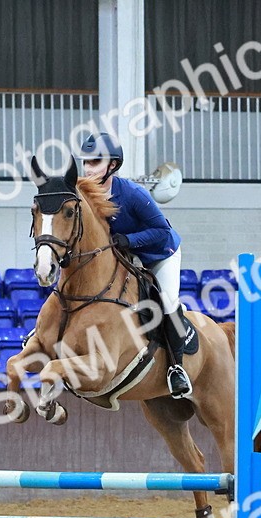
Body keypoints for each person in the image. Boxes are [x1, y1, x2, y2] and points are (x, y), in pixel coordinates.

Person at [77, 133, 193, 399]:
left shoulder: (133, 194)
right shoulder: (82, 193)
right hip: (126, 256)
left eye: (95, 162)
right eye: (86, 162)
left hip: (159, 254)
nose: (88, 169)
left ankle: (176, 368)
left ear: (113, 166)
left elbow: (162, 231)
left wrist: (128, 239)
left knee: (167, 302)